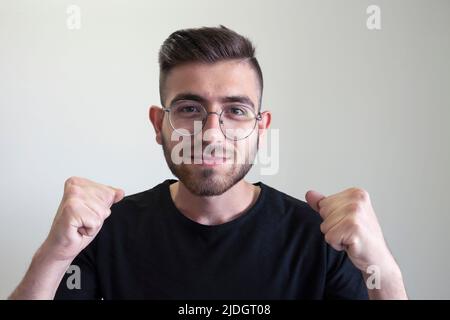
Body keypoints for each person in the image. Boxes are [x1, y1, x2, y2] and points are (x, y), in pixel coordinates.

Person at [9, 25, 407, 300]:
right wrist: (54, 255)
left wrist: (384, 271)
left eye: (235, 110)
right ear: (158, 122)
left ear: (260, 127)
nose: (212, 133)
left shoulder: (322, 239)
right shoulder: (104, 231)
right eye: (189, 108)